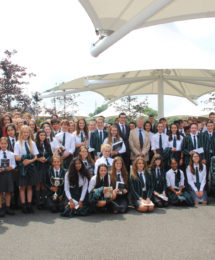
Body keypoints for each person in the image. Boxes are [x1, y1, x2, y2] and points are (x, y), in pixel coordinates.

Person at [14, 125, 39, 213]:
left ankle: (29, 205)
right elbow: (16, 157)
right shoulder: (17, 143)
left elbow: (36, 156)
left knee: (30, 187)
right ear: (21, 133)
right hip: (23, 167)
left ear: (29, 133)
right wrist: (24, 159)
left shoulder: (32, 143)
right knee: (22, 187)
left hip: (31, 167)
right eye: (24, 132)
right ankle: (23, 205)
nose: (26, 134)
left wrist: (29, 160)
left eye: (27, 132)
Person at [35, 129, 53, 209]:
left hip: (45, 166)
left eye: (44, 135)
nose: (42, 137)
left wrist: (47, 159)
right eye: (41, 135)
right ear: (38, 136)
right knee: (38, 183)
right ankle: (38, 201)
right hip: (38, 166)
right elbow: (34, 154)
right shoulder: (35, 144)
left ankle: (43, 201)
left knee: (44, 184)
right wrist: (38, 159)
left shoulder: (47, 144)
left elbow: (50, 154)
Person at [0, 137, 16, 217]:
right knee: (0, 192)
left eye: (5, 143)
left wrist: (11, 167)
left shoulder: (11, 154)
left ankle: (7, 207)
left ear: (7, 144)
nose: (3, 145)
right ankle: (0, 208)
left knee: (8, 192)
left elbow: (14, 164)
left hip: (8, 174)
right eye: (2, 143)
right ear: (0, 144)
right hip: (0, 174)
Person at [6, 123, 19, 209]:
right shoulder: (5, 140)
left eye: (12, 130)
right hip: (10, 167)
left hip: (19, 165)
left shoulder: (19, 139)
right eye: (8, 130)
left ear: (15, 130)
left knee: (18, 185)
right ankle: (10, 204)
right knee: (10, 185)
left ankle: (17, 203)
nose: (10, 132)